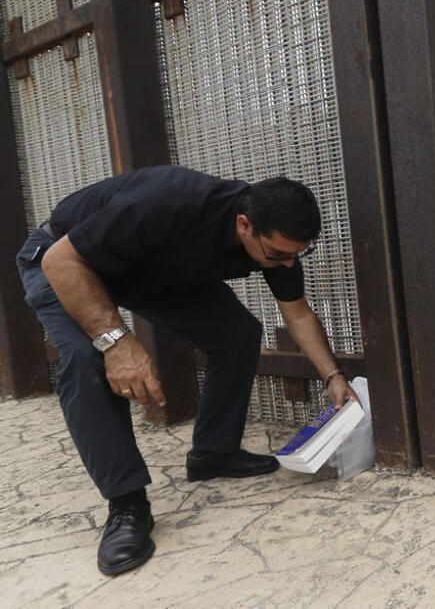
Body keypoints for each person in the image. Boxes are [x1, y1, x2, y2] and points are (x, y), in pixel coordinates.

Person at [14, 165, 358, 576]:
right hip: (65, 263)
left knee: (236, 332)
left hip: (147, 272)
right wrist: (117, 342)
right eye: (278, 255)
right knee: (87, 357)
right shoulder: (168, 202)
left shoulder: (277, 243)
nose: (286, 265)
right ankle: (127, 505)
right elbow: (62, 259)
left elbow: (297, 313)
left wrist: (333, 377)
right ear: (245, 225)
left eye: (296, 256)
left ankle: (214, 453)